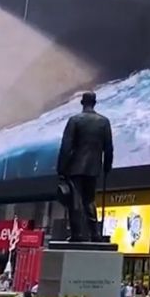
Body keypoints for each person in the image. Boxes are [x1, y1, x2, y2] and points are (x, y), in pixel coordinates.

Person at [57, 91, 114, 242]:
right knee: (90, 200)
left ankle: (77, 235)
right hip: (93, 168)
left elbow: (65, 147)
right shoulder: (104, 122)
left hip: (75, 168)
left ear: (82, 102)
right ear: (95, 103)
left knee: (75, 201)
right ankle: (95, 234)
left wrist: (61, 170)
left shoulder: (75, 120)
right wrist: (107, 166)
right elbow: (108, 148)